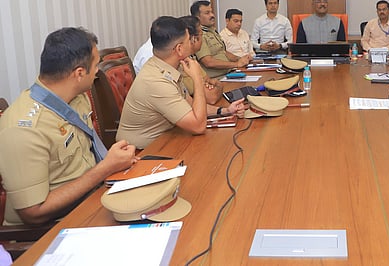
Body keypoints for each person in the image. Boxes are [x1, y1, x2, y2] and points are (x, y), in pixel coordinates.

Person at [0, 27, 136, 225]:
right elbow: (33, 212)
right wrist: (105, 168)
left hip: (94, 197)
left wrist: (113, 164)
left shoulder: (77, 97)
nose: (98, 71)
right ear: (79, 73)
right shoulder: (23, 130)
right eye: (96, 65)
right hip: (57, 225)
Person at [117, 16, 244, 150]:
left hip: (166, 138)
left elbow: (190, 104)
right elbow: (198, 126)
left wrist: (225, 111)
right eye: (189, 40)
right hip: (140, 153)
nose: (193, 42)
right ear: (179, 49)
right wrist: (197, 79)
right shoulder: (156, 81)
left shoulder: (166, 66)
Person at [191, 0, 250, 78]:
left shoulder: (212, 31)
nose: (212, 15)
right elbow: (208, 62)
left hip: (229, 73)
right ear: (197, 17)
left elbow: (223, 52)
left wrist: (242, 59)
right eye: (207, 13)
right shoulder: (199, 35)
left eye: (211, 12)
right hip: (216, 78)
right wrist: (236, 64)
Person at [179, 15, 223, 105]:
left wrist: (214, 86)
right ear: (194, 39)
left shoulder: (191, 58)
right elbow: (212, 97)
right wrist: (219, 86)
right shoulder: (182, 64)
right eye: (201, 35)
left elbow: (208, 80)